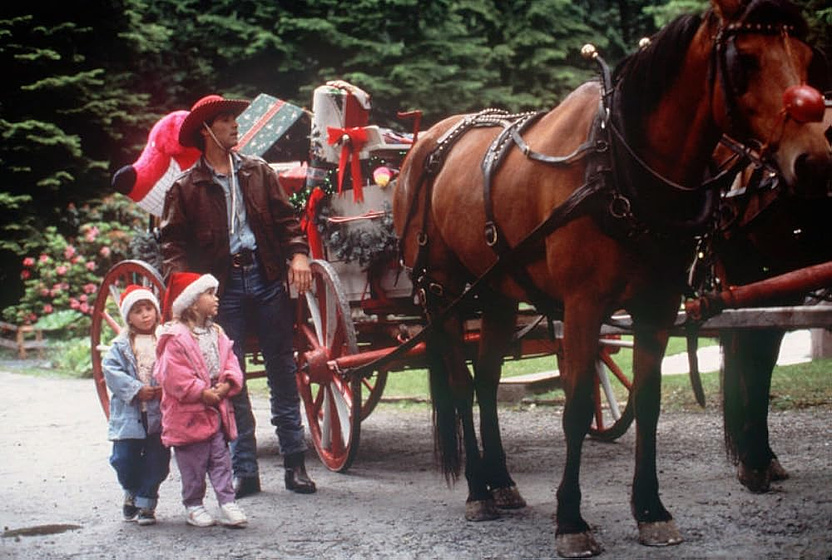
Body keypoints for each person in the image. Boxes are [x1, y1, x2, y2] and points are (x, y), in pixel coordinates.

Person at [160, 94, 315, 498]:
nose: (235, 125)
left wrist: (298, 253)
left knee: (283, 371)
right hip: (222, 290)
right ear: (207, 132)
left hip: (264, 280)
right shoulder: (185, 187)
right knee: (233, 379)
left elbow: (286, 221)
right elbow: (172, 248)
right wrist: (191, 292)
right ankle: (245, 470)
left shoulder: (258, 172)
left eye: (233, 119)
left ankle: (295, 465)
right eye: (227, 120)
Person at [154, 272, 248, 528]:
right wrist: (200, 391)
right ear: (193, 302)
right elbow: (173, 375)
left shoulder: (217, 332)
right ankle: (194, 505)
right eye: (209, 294)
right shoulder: (175, 337)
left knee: (221, 459)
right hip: (188, 415)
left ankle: (227, 501)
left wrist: (228, 382)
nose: (216, 299)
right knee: (193, 466)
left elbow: (231, 360)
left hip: (215, 410)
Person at [102, 285, 170, 526]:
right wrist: (136, 389)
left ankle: (146, 503)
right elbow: (111, 371)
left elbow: (176, 365)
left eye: (149, 308)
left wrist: (167, 386)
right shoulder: (121, 345)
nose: (145, 315)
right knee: (123, 458)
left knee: (157, 460)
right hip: (130, 414)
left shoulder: (164, 339)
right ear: (128, 317)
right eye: (138, 310)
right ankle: (131, 489)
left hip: (159, 414)